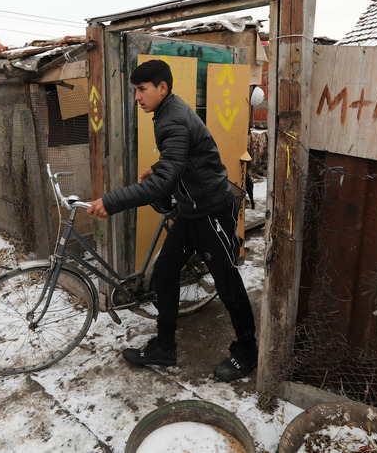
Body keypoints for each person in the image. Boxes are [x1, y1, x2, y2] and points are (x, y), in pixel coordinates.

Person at [87, 58, 258, 382]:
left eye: (142, 89)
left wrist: (110, 201)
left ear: (162, 88)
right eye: (135, 90)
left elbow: (165, 183)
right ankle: (164, 347)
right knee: (164, 275)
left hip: (211, 211)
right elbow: (179, 161)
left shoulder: (173, 118)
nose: (137, 97)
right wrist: (163, 167)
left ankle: (247, 349)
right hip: (191, 210)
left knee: (227, 283)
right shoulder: (166, 113)